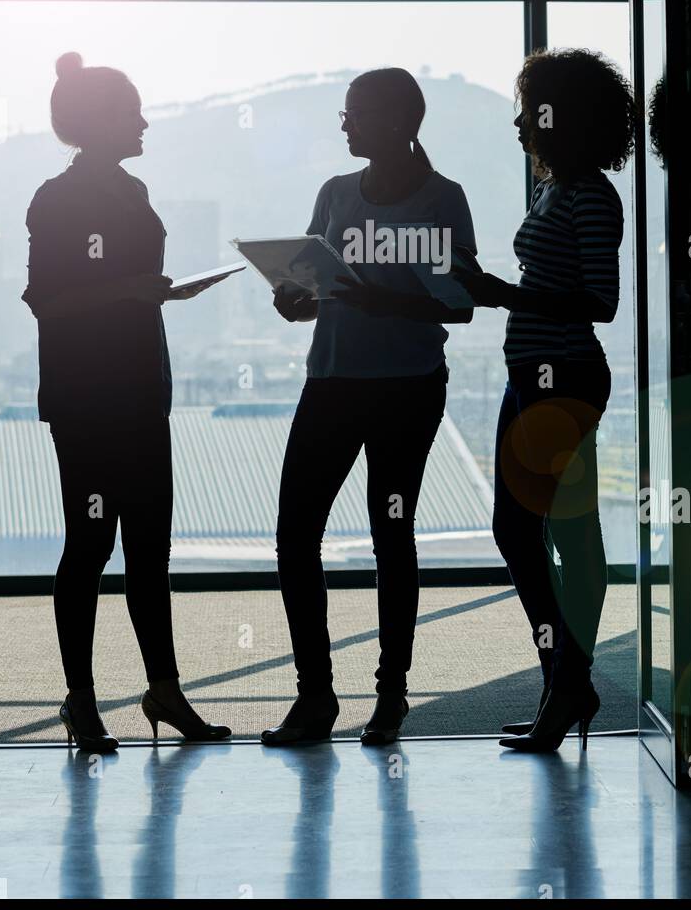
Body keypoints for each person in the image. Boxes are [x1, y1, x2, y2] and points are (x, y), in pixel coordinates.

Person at [22, 52, 231, 753]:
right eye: (132, 110)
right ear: (97, 121)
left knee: (148, 548)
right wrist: (128, 292)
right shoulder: (56, 200)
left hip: (141, 388)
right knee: (90, 544)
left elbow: (118, 281)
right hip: (88, 397)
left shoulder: (131, 190)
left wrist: (159, 292)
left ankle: (163, 691)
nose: (144, 121)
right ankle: (80, 702)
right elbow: (45, 302)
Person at [262, 67, 476, 747]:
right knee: (296, 536)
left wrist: (385, 299)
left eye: (353, 113)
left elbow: (460, 303)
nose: (343, 123)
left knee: (391, 535)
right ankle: (316, 696)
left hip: (406, 387)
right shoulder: (333, 194)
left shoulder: (443, 199)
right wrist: (292, 297)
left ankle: (390, 695)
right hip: (331, 381)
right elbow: (306, 291)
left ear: (390, 121)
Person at [455, 47, 633, 752]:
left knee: (547, 531)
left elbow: (600, 302)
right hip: (532, 372)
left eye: (529, 109)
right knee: (528, 529)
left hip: (561, 372)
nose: (519, 122)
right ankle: (563, 677)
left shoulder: (588, 195)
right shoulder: (558, 189)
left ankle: (566, 680)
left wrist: (503, 292)